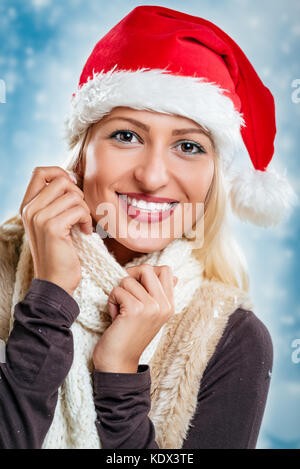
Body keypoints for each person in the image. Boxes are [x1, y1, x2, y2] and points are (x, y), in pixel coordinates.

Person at [0, 5, 298, 449]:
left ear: (215, 175)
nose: (153, 176)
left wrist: (119, 373)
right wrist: (50, 299)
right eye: (126, 136)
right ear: (82, 154)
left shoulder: (233, 338)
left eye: (189, 145)